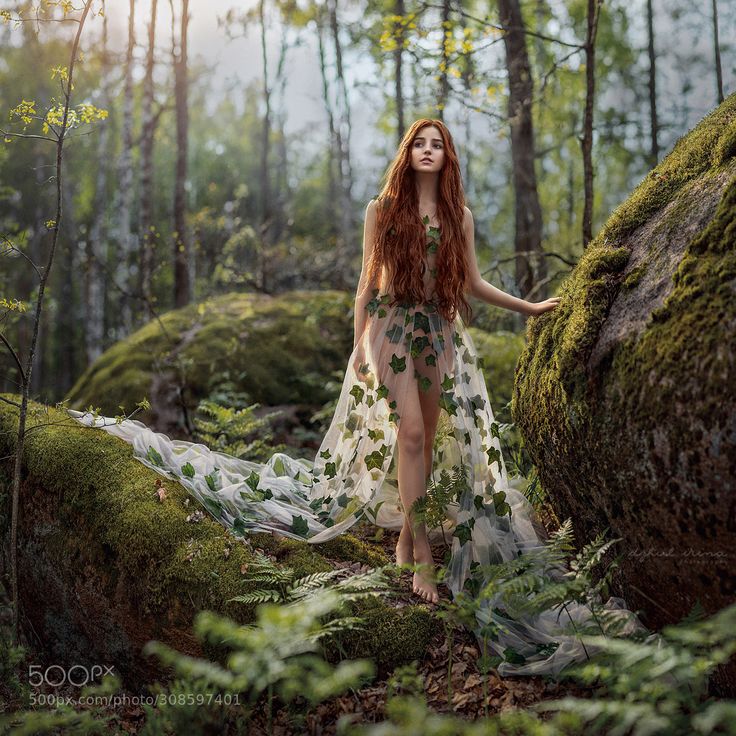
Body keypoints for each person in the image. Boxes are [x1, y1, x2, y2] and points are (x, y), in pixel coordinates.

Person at [69, 118, 650, 677]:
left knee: (428, 437)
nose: (427, 151)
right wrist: (359, 352)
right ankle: (421, 547)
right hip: (392, 333)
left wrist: (529, 308)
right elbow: (367, 285)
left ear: (447, 158)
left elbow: (471, 284)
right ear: (407, 152)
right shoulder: (382, 211)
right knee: (414, 436)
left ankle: (402, 534)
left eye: (437, 144)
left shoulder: (459, 216)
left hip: (439, 334)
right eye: (419, 142)